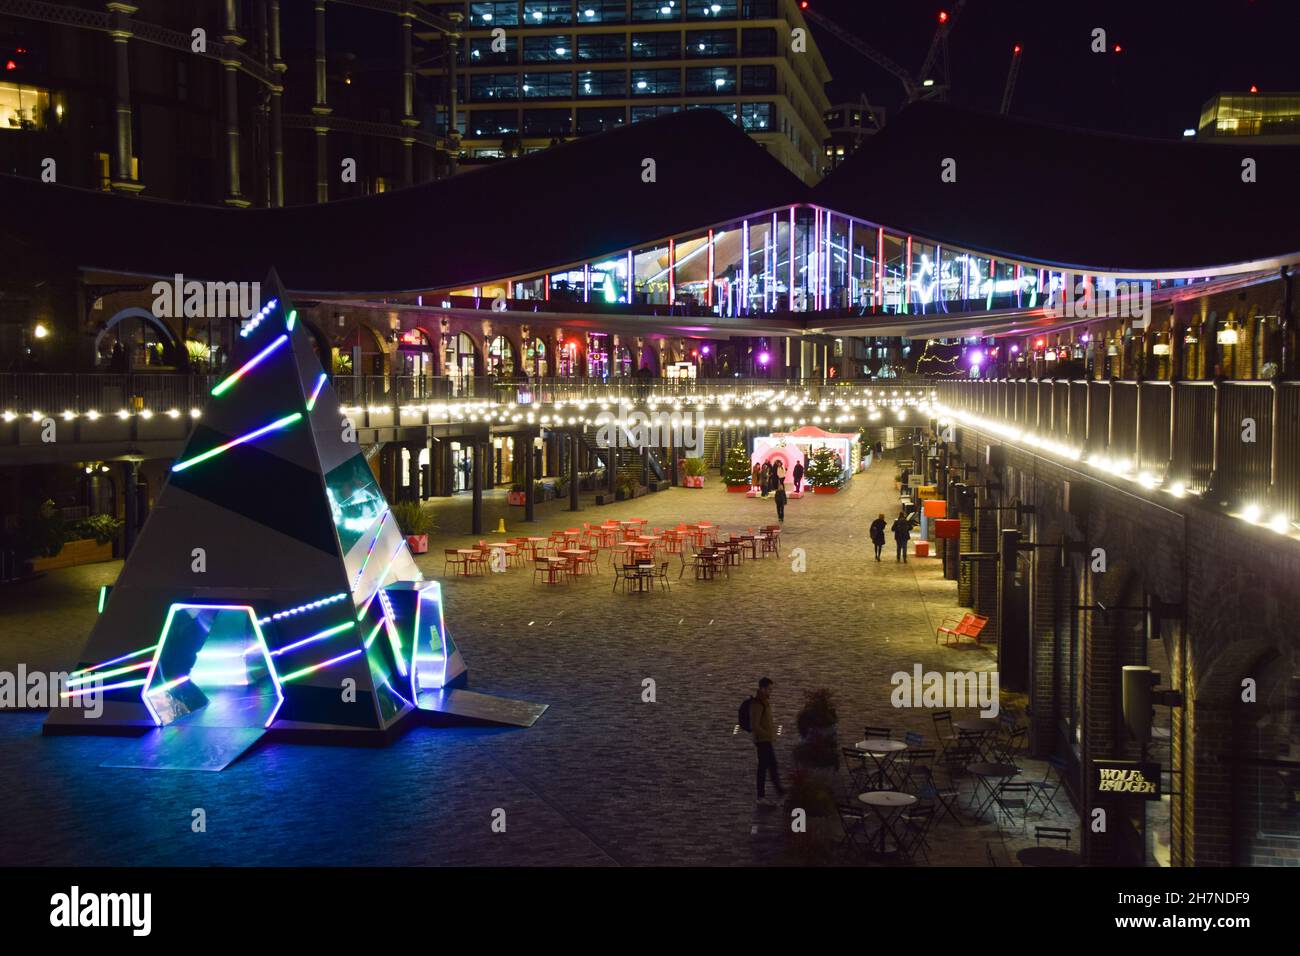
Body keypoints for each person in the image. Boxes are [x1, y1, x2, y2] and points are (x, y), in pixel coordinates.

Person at [750, 677, 783, 805]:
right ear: (762, 689)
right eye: (769, 689)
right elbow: (755, 725)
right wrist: (767, 733)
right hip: (762, 741)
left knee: (772, 765)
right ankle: (761, 796)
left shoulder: (764, 701)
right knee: (764, 767)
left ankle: (779, 790)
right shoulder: (758, 704)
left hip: (766, 740)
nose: (771, 691)